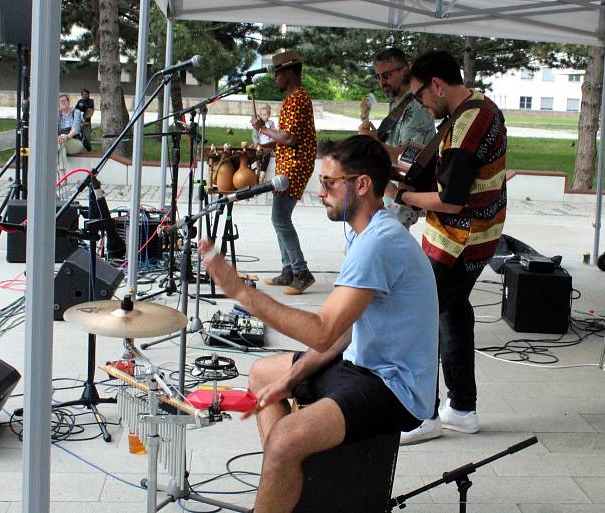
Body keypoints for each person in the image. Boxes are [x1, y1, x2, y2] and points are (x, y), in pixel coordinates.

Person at [198, 135, 439, 513]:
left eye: (329, 182)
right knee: (264, 376)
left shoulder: (380, 242)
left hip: (395, 386)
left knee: (283, 440)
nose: (320, 191)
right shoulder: (365, 233)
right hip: (360, 363)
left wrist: (242, 294)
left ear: (362, 184)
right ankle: (289, 482)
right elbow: (343, 331)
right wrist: (289, 380)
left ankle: (284, 467)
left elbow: (323, 329)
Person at [386, 50, 507, 445]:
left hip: (460, 241)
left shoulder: (468, 125)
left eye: (420, 93)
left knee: (419, 318)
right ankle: (462, 409)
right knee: (453, 314)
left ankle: (422, 415)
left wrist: (401, 197)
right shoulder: (479, 106)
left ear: (437, 84)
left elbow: (451, 200)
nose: (420, 102)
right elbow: (448, 174)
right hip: (473, 237)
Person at [251, 51, 318, 295]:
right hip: (291, 165)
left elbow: (290, 138)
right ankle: (288, 270)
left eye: (277, 74)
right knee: (279, 218)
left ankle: (301, 272)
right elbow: (288, 137)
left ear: (289, 73)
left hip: (295, 167)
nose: (275, 79)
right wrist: (264, 141)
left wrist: (262, 129)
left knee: (280, 218)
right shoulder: (294, 99)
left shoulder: (297, 99)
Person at [358, 48, 436, 228]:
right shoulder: (399, 102)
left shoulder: (416, 108)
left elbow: (409, 158)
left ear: (404, 70)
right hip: (390, 194)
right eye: (378, 77)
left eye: (386, 76)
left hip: (400, 198)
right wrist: (376, 136)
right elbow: (398, 143)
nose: (381, 82)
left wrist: (374, 142)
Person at [57, 94, 85, 176]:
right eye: (61, 101)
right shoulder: (57, 114)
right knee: (61, 147)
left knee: (61, 143)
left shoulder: (76, 112)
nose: (63, 102)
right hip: (62, 142)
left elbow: (75, 129)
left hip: (76, 142)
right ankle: (63, 178)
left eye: (65, 100)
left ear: (68, 102)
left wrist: (67, 136)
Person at [252, 104, 276, 173]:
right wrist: (257, 144)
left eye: (265, 114)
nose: (262, 116)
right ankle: (256, 167)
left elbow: (273, 135)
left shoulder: (271, 123)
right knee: (257, 154)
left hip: (268, 145)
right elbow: (254, 136)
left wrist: (271, 146)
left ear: (268, 115)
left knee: (266, 155)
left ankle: (263, 171)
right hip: (260, 144)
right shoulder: (258, 124)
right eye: (261, 114)